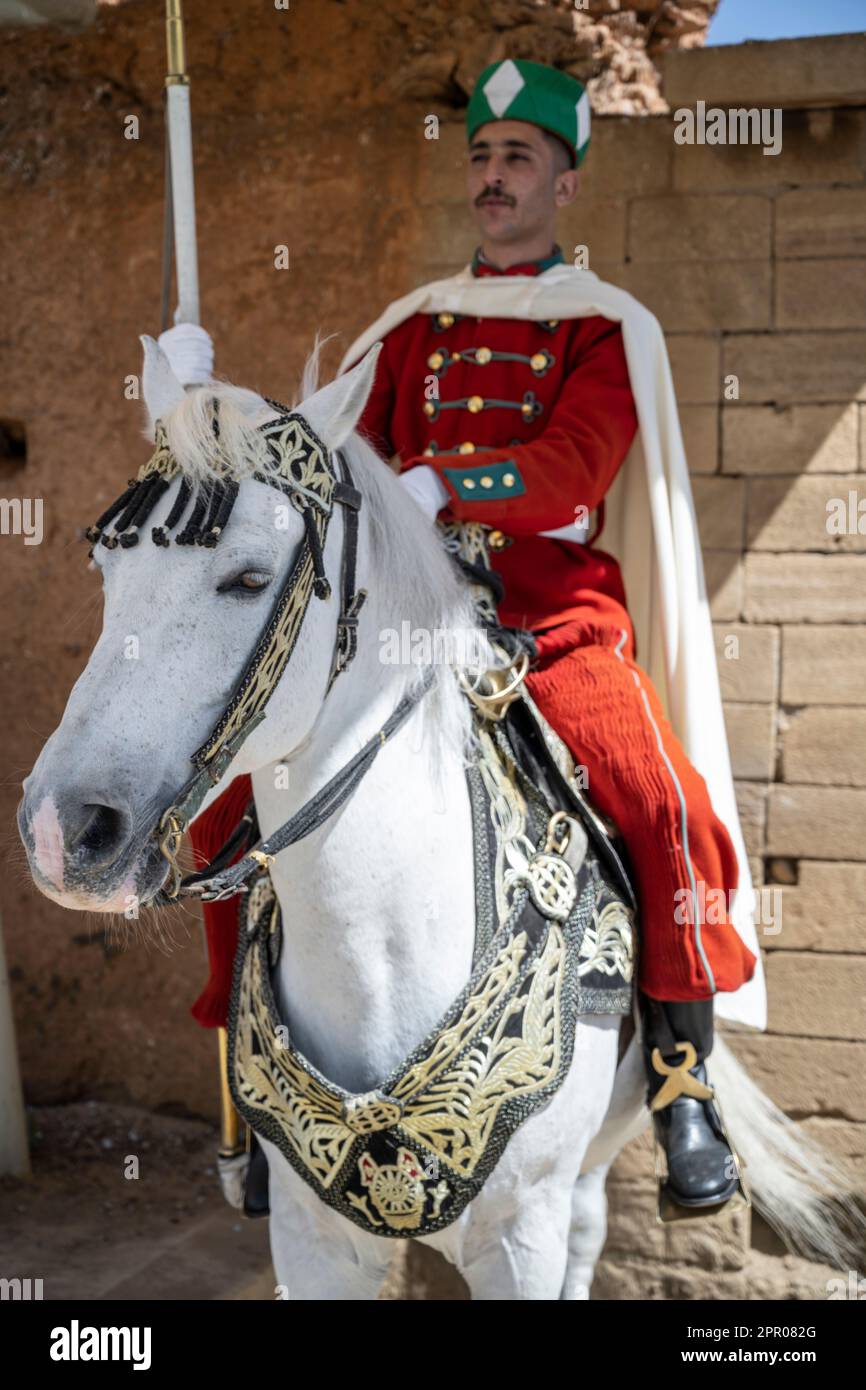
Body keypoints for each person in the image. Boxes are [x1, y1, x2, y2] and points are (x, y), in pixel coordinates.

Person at [159, 58, 762, 1212]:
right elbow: (323, 457)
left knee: (661, 799)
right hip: (410, 622)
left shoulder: (601, 326)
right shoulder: (412, 325)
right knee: (231, 801)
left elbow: (571, 467)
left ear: (563, 188)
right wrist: (204, 402)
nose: (492, 178)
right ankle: (243, 1071)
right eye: (481, 157)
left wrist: (443, 482)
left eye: (517, 159)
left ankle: (683, 1075)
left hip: (550, 619)